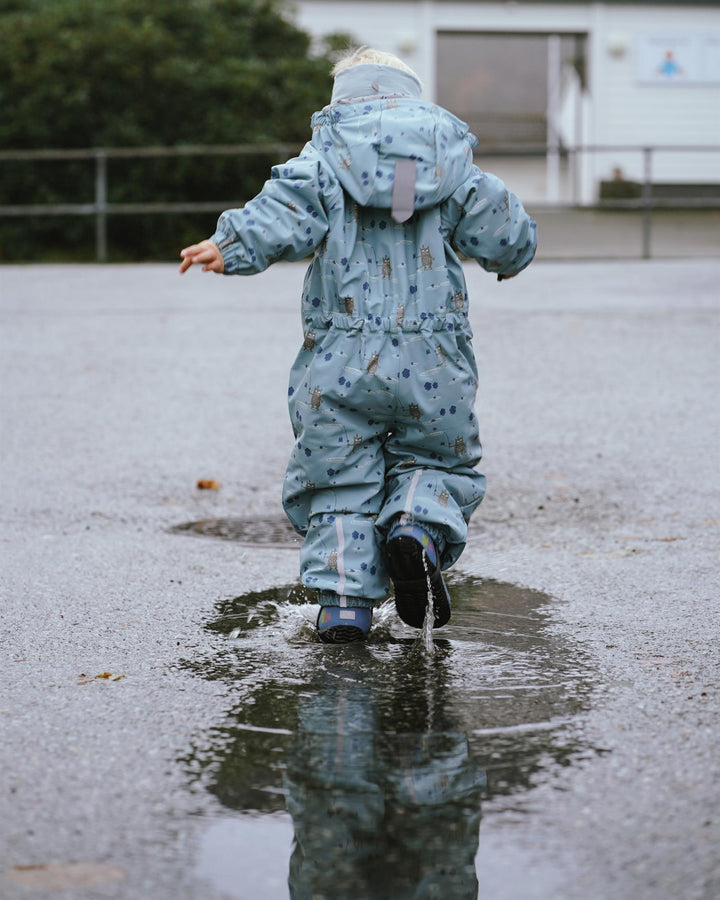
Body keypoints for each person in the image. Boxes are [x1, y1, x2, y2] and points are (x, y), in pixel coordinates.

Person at [179, 47, 537, 644]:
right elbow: (506, 235)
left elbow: (284, 209)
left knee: (338, 479)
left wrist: (232, 244)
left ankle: (345, 602)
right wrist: (515, 253)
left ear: (342, 98)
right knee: (437, 460)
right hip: (434, 359)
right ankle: (417, 525)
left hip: (340, 358)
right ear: (410, 97)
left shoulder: (323, 158)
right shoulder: (451, 163)